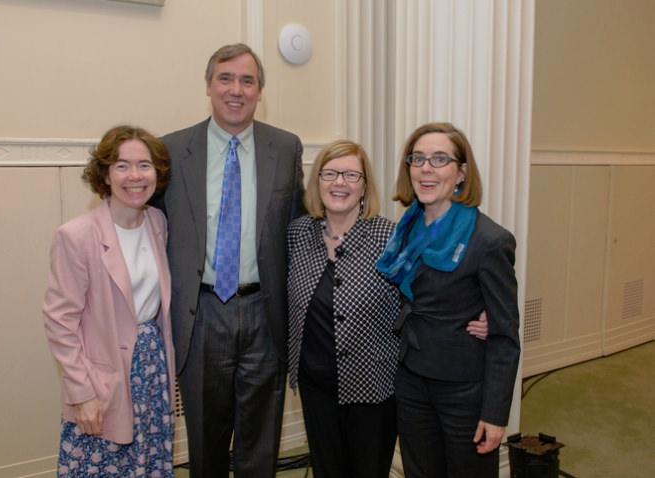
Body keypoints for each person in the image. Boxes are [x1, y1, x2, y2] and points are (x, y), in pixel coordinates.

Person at [287, 140, 489, 478]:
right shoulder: (297, 235)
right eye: (331, 173)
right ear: (317, 181)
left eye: (352, 175)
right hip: (314, 384)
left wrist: (485, 310)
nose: (340, 183)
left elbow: (435, 287)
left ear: (365, 185)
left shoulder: (391, 237)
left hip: (375, 387)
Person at [157, 43, 305, 478]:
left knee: (261, 443)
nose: (236, 90)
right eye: (226, 78)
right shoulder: (171, 149)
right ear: (208, 86)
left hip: (265, 313)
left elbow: (298, 229)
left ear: (261, 91)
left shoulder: (286, 147)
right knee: (205, 440)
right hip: (200, 314)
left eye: (247, 80)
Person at [377, 122, 520, 478]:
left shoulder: (490, 240)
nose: (426, 168)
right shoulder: (406, 229)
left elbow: (505, 336)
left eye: (440, 159)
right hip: (411, 382)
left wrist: (495, 414)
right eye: (418, 159)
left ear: (461, 173)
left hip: (464, 392)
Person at [42, 125, 175, 477]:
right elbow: (60, 323)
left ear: (157, 173)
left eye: (144, 165)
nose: (135, 176)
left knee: (147, 466)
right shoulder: (77, 235)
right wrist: (81, 394)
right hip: (102, 382)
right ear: (104, 173)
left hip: (152, 373)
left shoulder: (157, 223)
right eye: (122, 165)